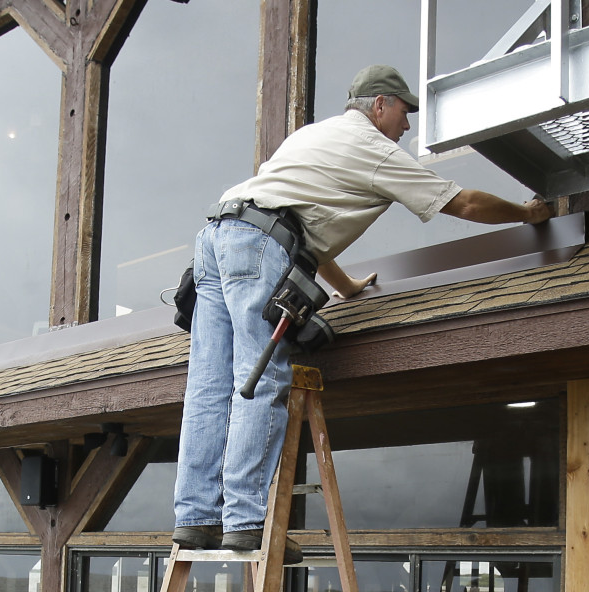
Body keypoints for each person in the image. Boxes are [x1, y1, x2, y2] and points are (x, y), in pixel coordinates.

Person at [173, 65, 553, 560]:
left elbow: (298, 228)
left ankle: (194, 518)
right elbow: (463, 203)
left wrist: (347, 287)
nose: (408, 126)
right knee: (259, 378)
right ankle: (246, 522)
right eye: (404, 111)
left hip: (216, 237)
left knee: (208, 385)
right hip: (258, 246)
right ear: (379, 104)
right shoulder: (375, 150)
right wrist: (527, 215)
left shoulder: (315, 136)